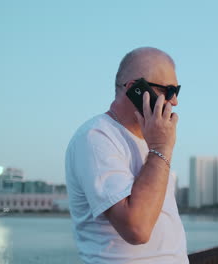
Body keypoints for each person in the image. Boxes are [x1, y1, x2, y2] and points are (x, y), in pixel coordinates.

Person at [65, 47, 188, 263]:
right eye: (168, 91)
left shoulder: (151, 144)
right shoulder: (97, 136)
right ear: (135, 89)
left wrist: (158, 147)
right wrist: (161, 147)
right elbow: (137, 229)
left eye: (176, 90)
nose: (175, 101)